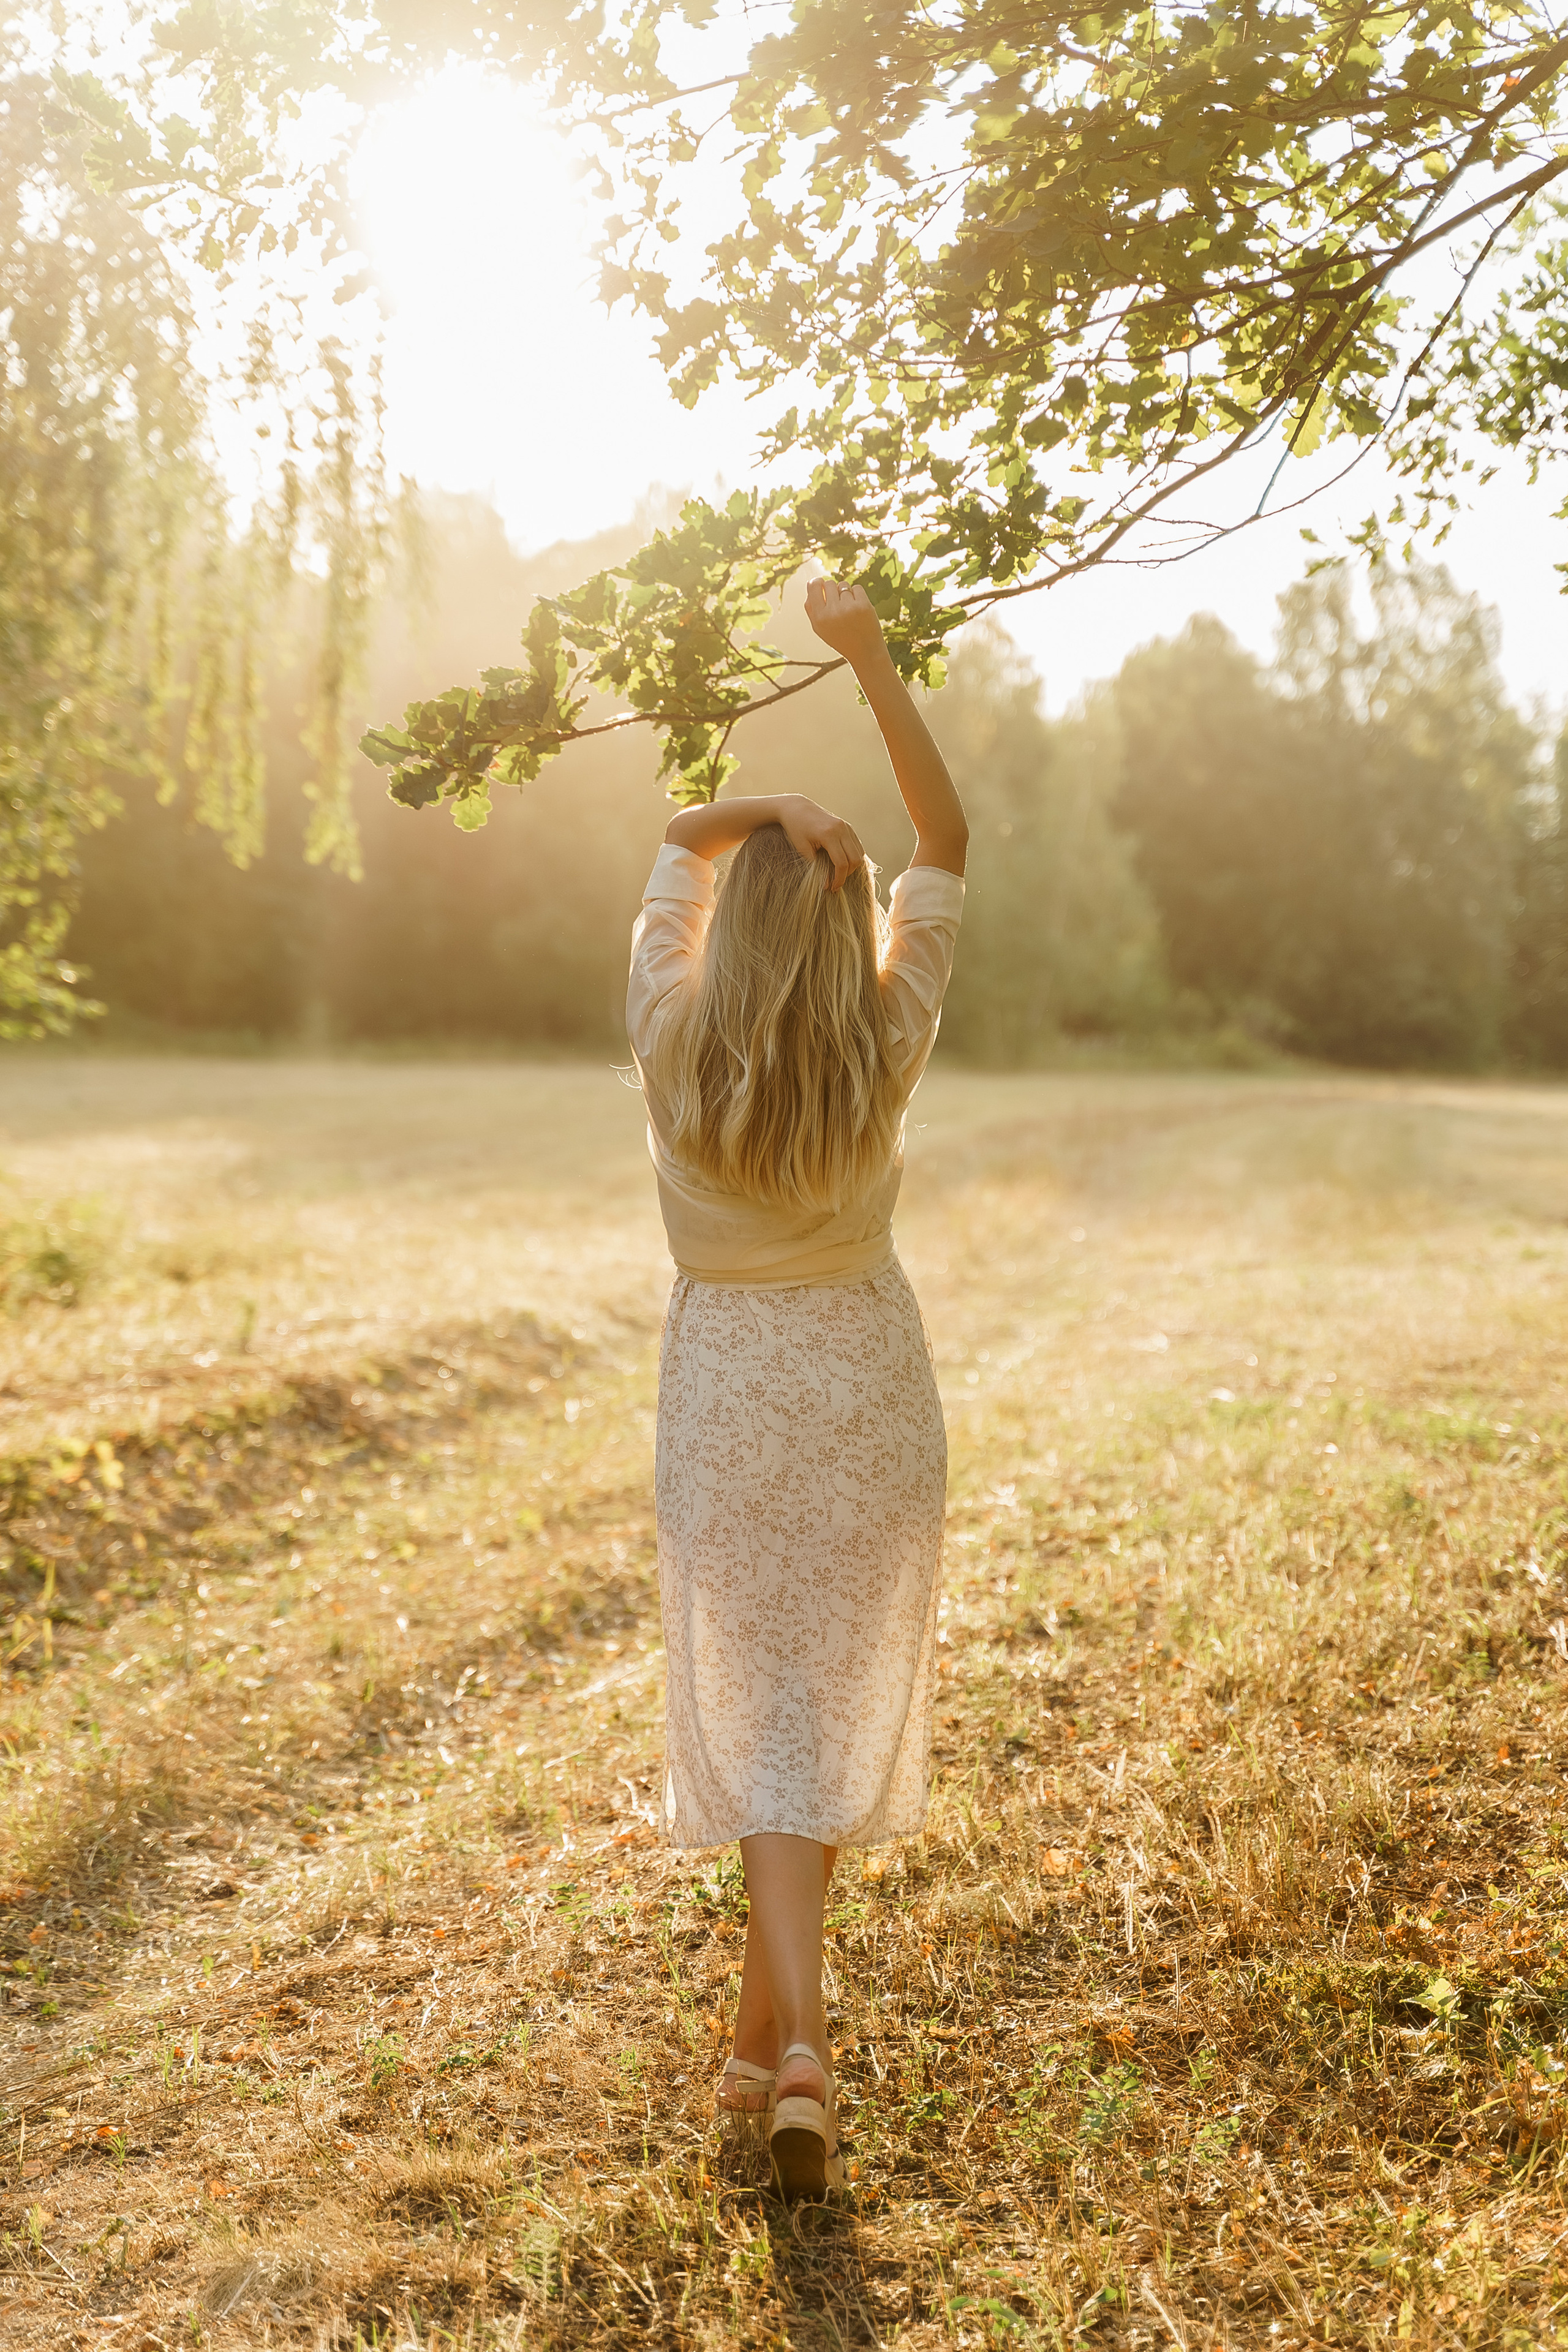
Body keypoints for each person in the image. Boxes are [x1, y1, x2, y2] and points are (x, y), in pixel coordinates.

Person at [625, 575, 969, 2201]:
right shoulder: (887, 1027)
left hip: (733, 1396)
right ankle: (772, 2046)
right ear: (839, 924)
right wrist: (870, 659)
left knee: (770, 1707)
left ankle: (796, 2040)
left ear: (735, 927)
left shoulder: (669, 1034)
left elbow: (686, 836)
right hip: (867, 1391)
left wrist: (777, 804)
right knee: (812, 1705)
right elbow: (950, 835)